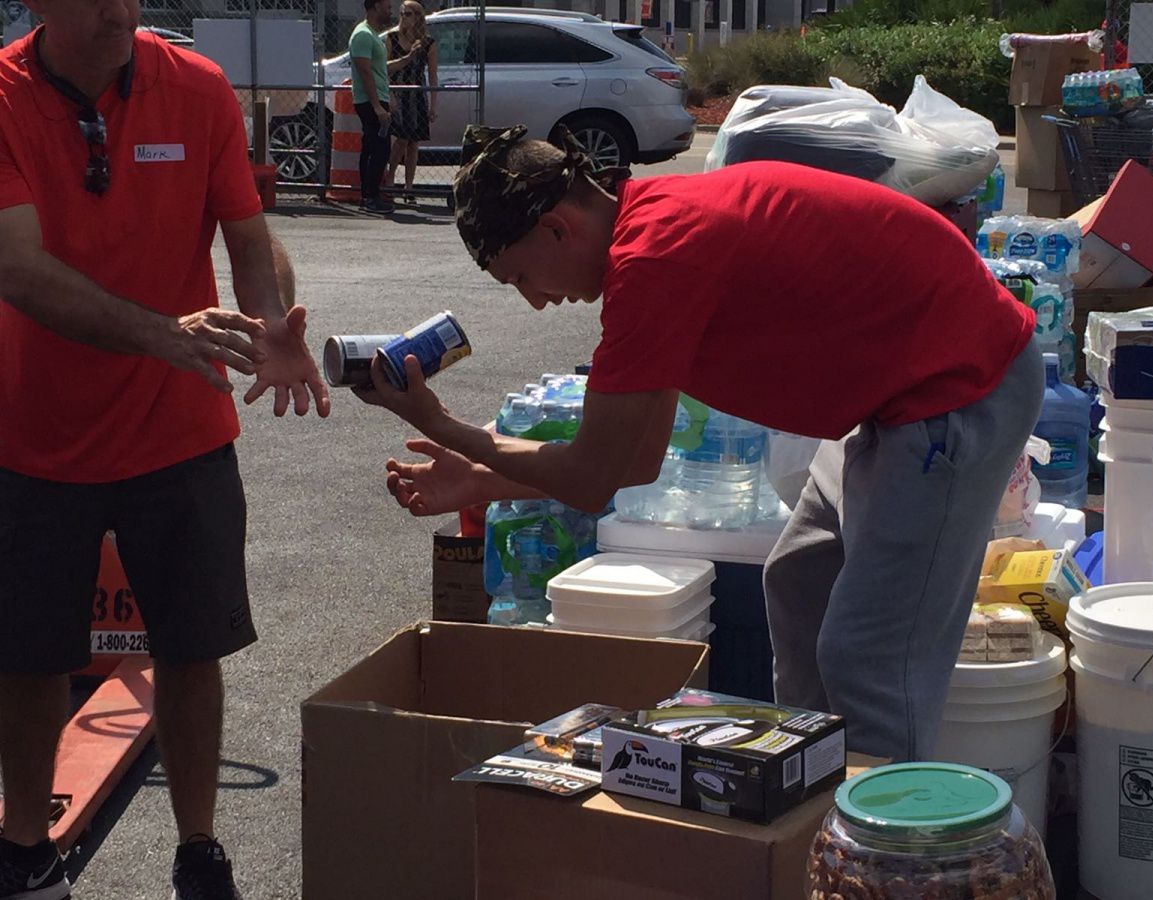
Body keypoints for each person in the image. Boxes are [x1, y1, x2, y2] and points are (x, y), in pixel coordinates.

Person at [356, 124, 1044, 764]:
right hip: (902, 392)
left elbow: (594, 478)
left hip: (959, 387)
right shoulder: (651, 228)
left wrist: (444, 425)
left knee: (868, 660)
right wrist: (484, 478)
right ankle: (808, 802)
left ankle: (882, 864)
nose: (537, 301)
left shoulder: (654, 257)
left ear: (555, 228)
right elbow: (633, 461)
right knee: (799, 580)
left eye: (522, 278)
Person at [0, 1, 331, 897]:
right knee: (30, 659)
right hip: (36, 439)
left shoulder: (196, 87)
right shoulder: (2, 95)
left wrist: (272, 326)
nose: (121, 9)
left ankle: (199, 850)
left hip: (180, 434)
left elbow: (247, 234)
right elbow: (18, 267)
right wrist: (163, 334)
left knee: (193, 647)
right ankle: (26, 851)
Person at [383, 0, 437, 205]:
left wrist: (433, 104)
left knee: (414, 141)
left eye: (409, 14)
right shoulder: (392, 37)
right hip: (398, 92)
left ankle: (409, 186)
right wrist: (390, 94)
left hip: (417, 94)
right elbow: (384, 68)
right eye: (402, 13)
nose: (404, 18)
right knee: (402, 138)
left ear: (418, 17)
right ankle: (390, 177)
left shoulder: (427, 42)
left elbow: (432, 75)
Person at [349, 0, 395, 213]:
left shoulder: (372, 35)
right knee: (379, 148)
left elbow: (379, 69)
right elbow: (365, 73)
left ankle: (370, 194)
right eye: (387, 6)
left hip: (377, 98)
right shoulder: (362, 35)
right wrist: (377, 106)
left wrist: (408, 58)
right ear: (375, 6)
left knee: (372, 146)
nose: (390, 10)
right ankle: (370, 197)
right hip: (369, 101)